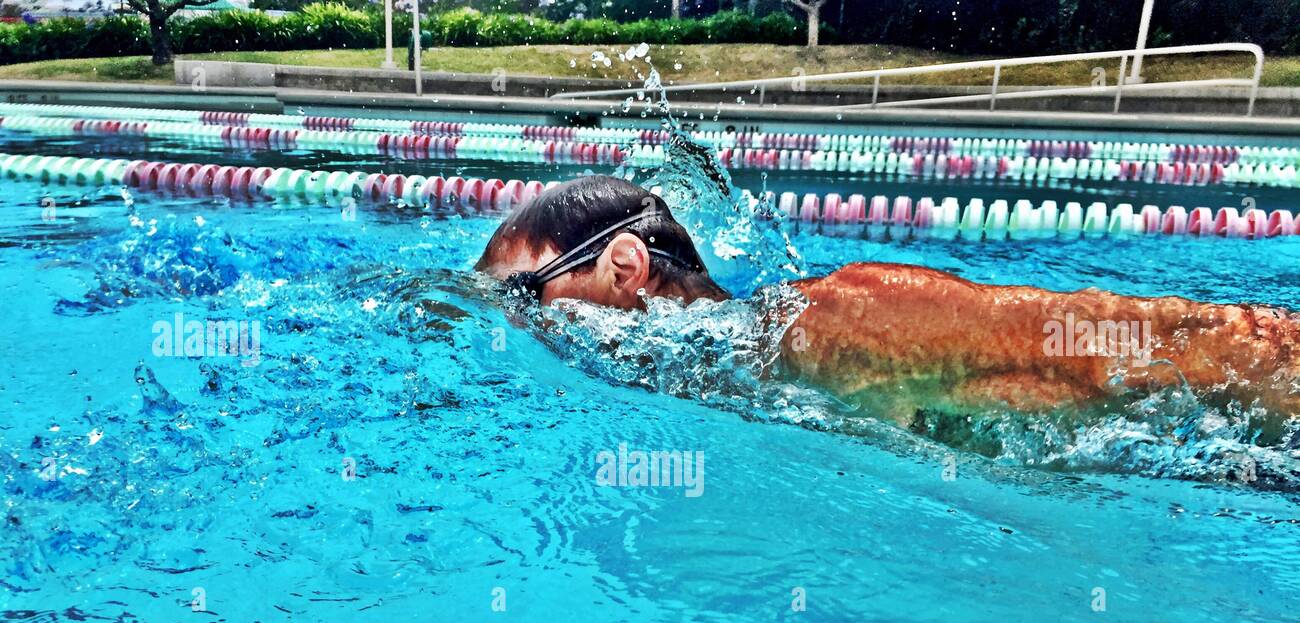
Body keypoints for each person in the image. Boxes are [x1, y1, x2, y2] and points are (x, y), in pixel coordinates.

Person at [475, 175, 1300, 419]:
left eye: (524, 292)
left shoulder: (828, 320)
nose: (521, 319)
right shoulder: (730, 373)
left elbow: (1131, 341)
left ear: (625, 267)